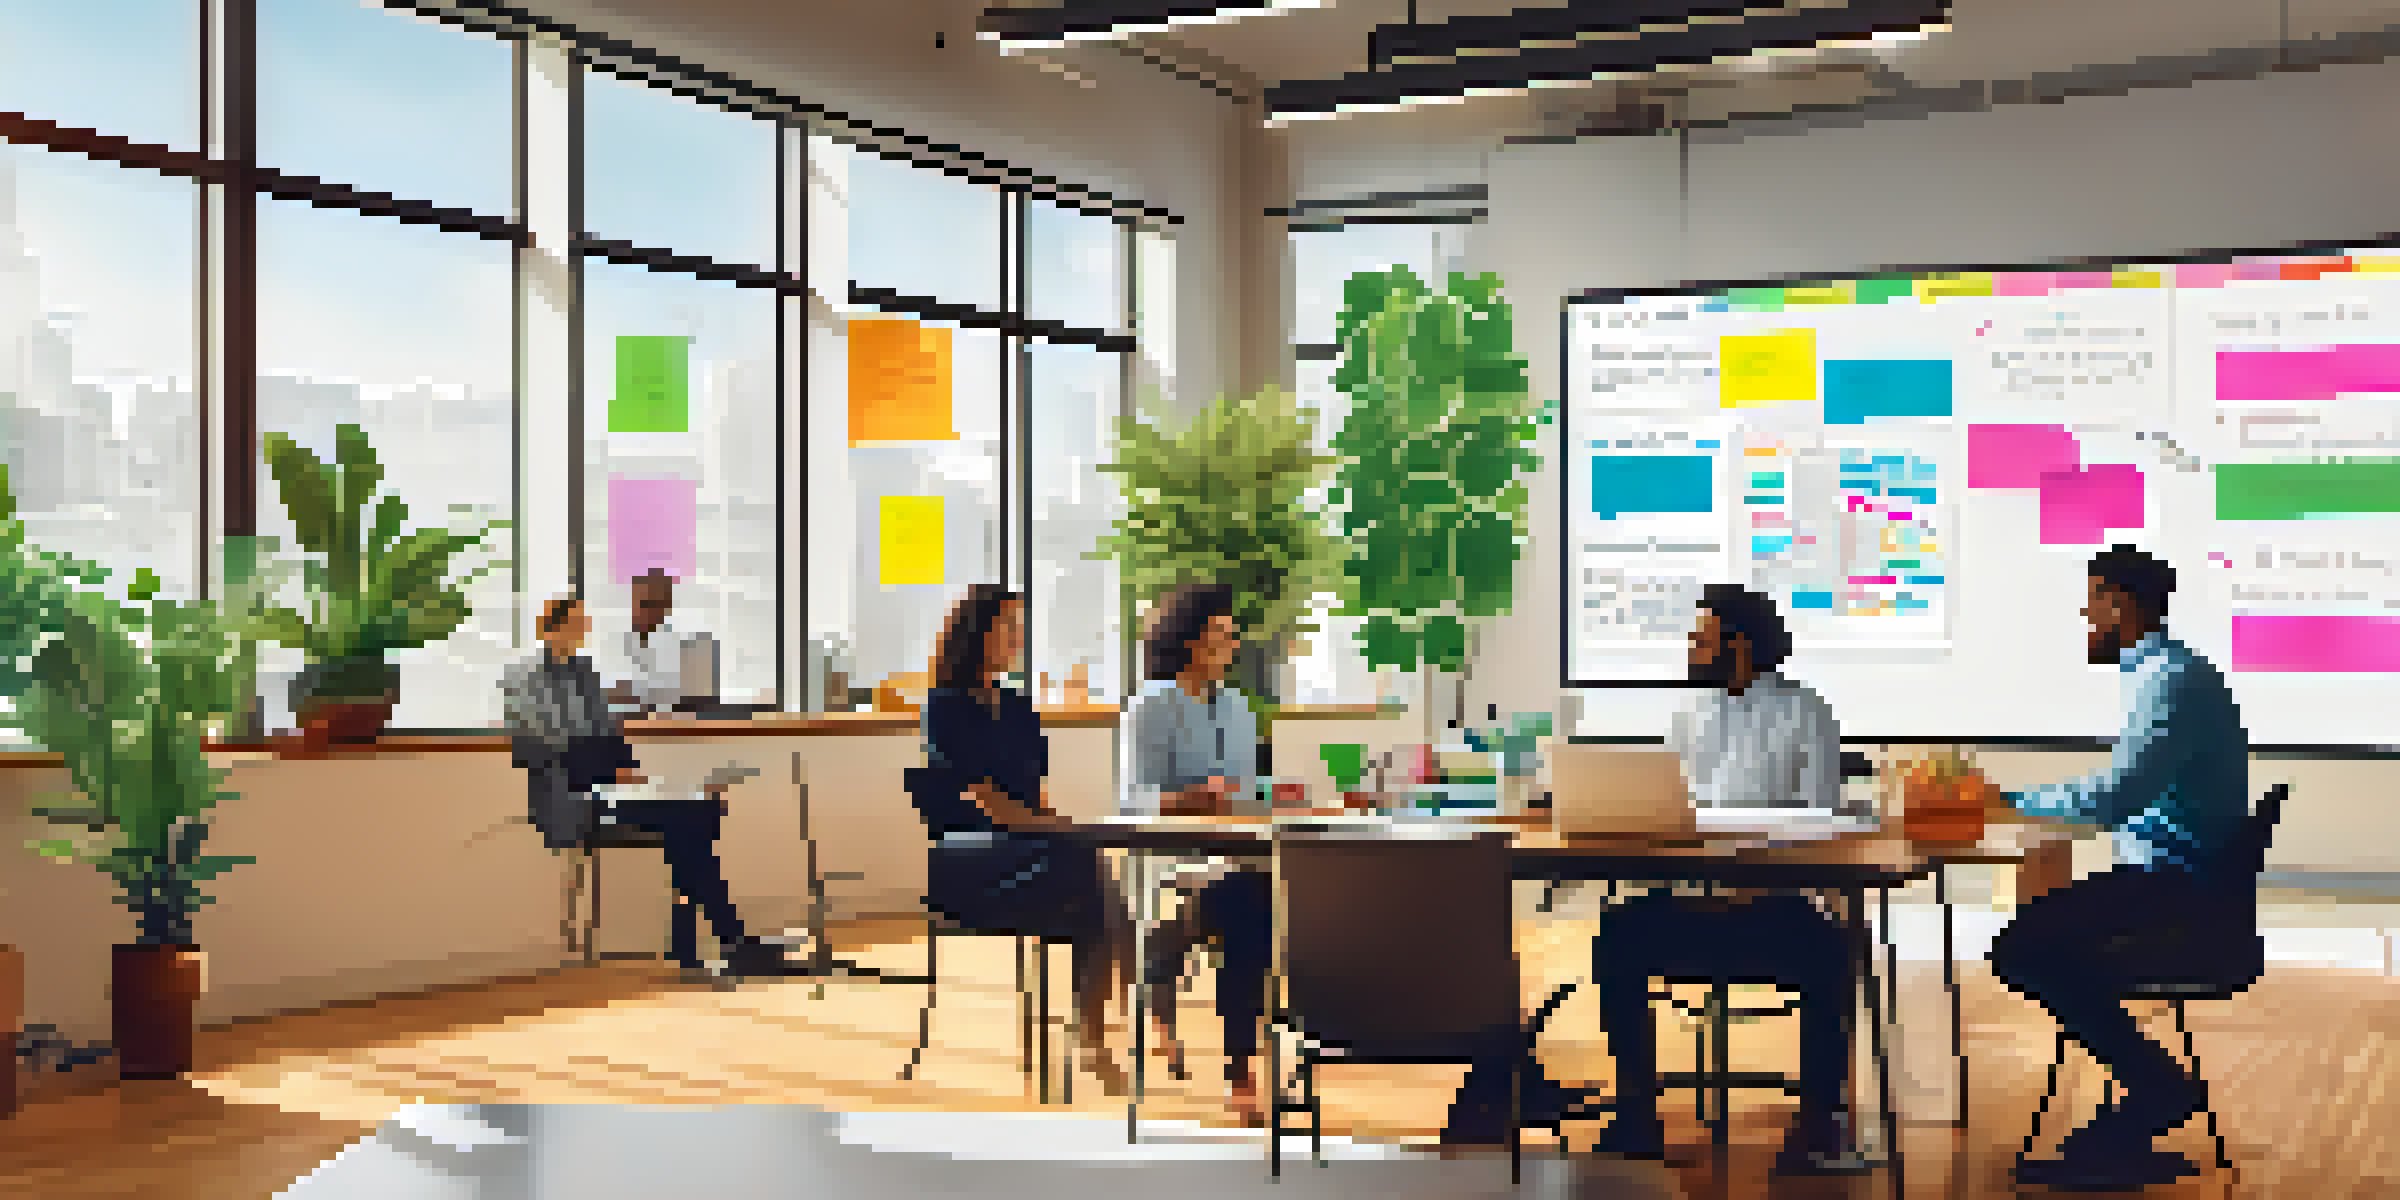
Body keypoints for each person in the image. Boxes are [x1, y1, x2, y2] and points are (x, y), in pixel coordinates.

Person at [1977, 546, 2252, 1190]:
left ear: (2122, 605)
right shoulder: (2163, 674)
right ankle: (2132, 1119)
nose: (2086, 615)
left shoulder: (2169, 681)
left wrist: (2010, 802)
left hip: (2177, 886)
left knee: (2023, 949)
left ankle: (2152, 1091)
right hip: (2175, 879)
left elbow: (2116, 798)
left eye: (2094, 600)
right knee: (2043, 944)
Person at [1582, 584, 1863, 1174]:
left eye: (1700, 636)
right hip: (1687, 904)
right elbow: (1669, 809)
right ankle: (1636, 1113)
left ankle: (1819, 1121)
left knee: (1833, 950)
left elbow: (1822, 817)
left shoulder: (1805, 711)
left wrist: (1760, 870)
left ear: (1736, 644)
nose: (1689, 647)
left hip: (1772, 910)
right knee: (1618, 936)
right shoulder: (1687, 714)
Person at [912, 584, 1134, 1095]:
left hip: (1026, 850)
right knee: (1090, 874)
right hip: (964, 856)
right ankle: (1098, 1028)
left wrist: (1066, 826)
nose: (1017, 637)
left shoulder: (1018, 708)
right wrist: (1063, 831)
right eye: (1008, 626)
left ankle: (1093, 1032)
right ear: (977, 633)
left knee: (1096, 889)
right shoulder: (943, 707)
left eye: (1020, 627)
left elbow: (1035, 799)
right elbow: (989, 804)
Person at [501, 594, 796, 977]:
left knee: (697, 813)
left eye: (584, 622)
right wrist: (606, 773)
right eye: (574, 622)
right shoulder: (523, 677)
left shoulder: (584, 673)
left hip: (608, 790)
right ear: (549, 626)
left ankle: (714, 944)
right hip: (567, 796)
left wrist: (632, 773)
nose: (582, 630)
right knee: (690, 822)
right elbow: (538, 748)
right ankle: (723, 943)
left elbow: (608, 736)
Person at [1121, 582, 1274, 1126]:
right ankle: (1241, 1068)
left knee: (1271, 890)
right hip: (1173, 858)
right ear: (1188, 641)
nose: (1231, 646)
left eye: (1233, 636)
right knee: (1245, 902)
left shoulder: (1237, 706)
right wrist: (1187, 799)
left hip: (1237, 852)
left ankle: (1169, 960)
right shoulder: (1152, 704)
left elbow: (1249, 792)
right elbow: (1132, 800)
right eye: (1220, 635)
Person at [601, 568, 720, 714]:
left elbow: (684, 698)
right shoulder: (625, 642)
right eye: (637, 604)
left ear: (666, 604)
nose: (639, 612)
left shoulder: (694, 646)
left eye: (648, 604)